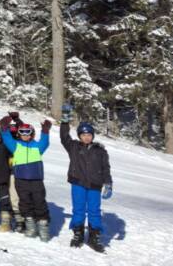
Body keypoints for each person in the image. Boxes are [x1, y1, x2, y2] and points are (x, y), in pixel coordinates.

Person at [59, 105, 112, 253]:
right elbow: (64, 137)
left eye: (89, 134)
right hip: (78, 182)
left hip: (95, 184)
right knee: (79, 209)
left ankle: (94, 237)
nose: (86, 137)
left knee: (94, 210)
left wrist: (108, 183)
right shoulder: (74, 147)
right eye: (83, 134)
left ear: (92, 136)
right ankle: (78, 234)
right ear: (79, 135)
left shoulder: (100, 150)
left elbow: (106, 168)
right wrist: (65, 120)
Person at [1, 115, 52, 241]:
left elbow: (45, 142)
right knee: (24, 203)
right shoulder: (16, 146)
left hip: (36, 180)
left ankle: (43, 226)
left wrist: (45, 131)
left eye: (27, 132)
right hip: (21, 179)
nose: (25, 134)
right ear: (18, 134)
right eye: (22, 132)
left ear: (32, 134)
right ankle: (30, 226)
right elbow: (6, 139)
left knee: (39, 202)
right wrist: (4, 128)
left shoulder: (38, 147)